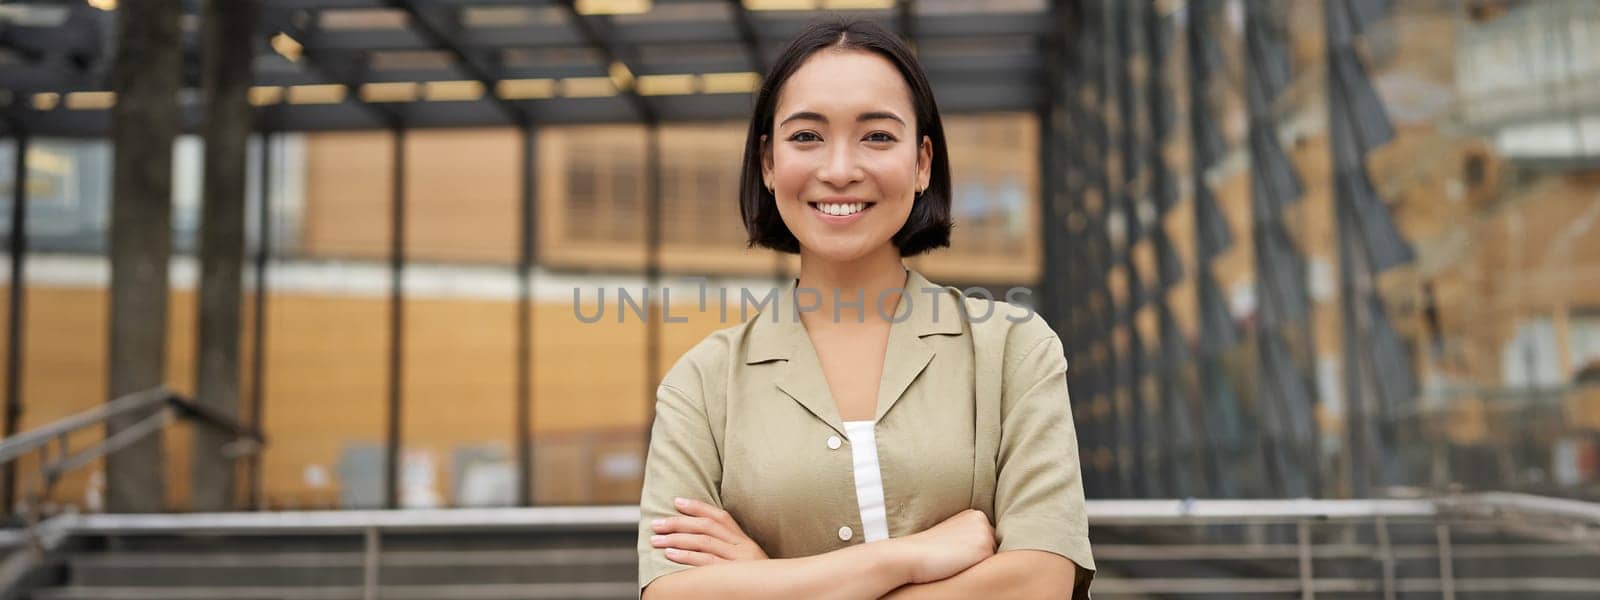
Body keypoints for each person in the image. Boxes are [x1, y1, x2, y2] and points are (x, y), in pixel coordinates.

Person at [637, 17, 1095, 599]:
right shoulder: (702, 384)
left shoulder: (1013, 351)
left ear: (923, 162)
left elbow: (1038, 582)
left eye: (877, 136)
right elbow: (672, 594)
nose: (839, 170)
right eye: (806, 136)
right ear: (769, 163)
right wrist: (909, 557)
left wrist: (766, 577)